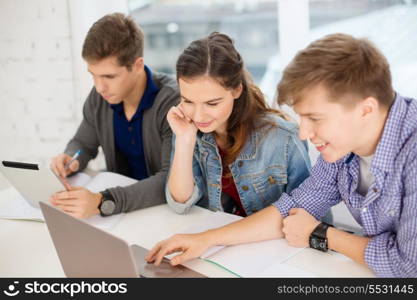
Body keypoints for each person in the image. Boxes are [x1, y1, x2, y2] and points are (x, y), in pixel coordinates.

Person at [146, 33, 417, 278]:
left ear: (366, 109)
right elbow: (292, 209)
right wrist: (206, 239)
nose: (304, 133)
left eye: (315, 118)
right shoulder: (342, 151)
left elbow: (408, 266)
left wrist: (321, 234)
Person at [165, 32, 311, 218]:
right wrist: (184, 141)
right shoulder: (189, 128)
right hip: (218, 239)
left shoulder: (284, 139)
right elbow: (179, 203)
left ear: (236, 90)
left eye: (212, 103)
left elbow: (309, 216)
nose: (198, 115)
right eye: (188, 101)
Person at [49, 13, 178, 219]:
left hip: (164, 212)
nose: (99, 87)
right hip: (121, 212)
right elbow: (83, 142)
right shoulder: (101, 98)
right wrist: (72, 158)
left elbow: (170, 180)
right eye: (94, 75)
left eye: (109, 76)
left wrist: (103, 201)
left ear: (137, 65)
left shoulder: (171, 102)